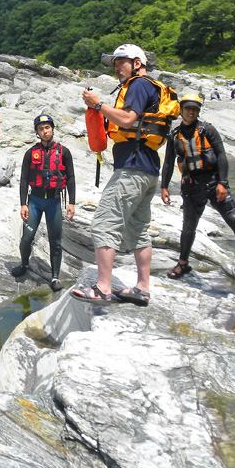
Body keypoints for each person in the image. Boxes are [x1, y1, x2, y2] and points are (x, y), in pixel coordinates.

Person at [75, 44, 179, 306]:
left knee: (103, 223)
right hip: (147, 168)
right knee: (139, 230)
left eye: (120, 62)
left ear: (136, 63)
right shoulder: (146, 86)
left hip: (133, 167)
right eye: (115, 63)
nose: (116, 68)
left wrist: (99, 105)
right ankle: (142, 289)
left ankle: (102, 288)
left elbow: (127, 119)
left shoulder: (139, 85)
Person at [160, 94, 235, 281]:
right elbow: (169, 163)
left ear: (198, 111)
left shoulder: (207, 130)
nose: (191, 112)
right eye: (188, 108)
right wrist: (164, 187)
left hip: (213, 183)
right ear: (182, 110)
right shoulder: (174, 135)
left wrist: (222, 183)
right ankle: (183, 264)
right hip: (191, 187)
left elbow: (221, 156)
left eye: (194, 109)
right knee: (188, 228)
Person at [11, 114, 76, 292]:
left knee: (55, 241)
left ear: (52, 129)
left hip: (54, 202)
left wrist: (71, 203)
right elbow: (24, 179)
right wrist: (23, 204)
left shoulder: (64, 152)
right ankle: (24, 264)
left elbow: (70, 178)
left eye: (47, 127)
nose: (45, 131)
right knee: (27, 238)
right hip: (35, 201)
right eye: (41, 129)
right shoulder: (31, 153)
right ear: (37, 132)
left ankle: (55, 277)